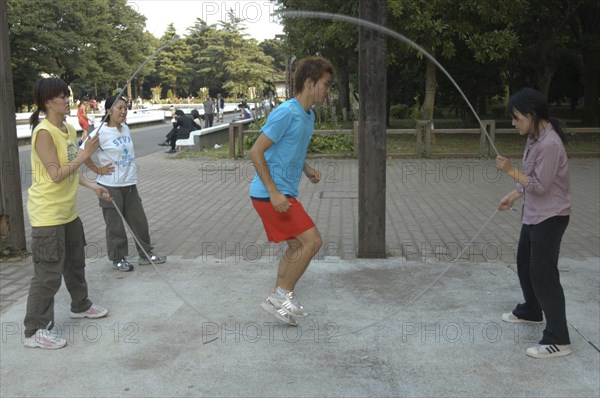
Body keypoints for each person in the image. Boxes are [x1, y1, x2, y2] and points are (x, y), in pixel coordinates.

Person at [23, 77, 111, 349]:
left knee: (75, 263)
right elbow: (57, 174)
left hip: (68, 213)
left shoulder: (68, 128)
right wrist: (85, 155)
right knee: (48, 273)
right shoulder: (44, 132)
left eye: (67, 95)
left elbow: (71, 169)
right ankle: (35, 330)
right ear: (48, 101)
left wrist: (92, 185)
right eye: (61, 96)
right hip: (48, 215)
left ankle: (80, 304)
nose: (67, 99)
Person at [249, 56, 334, 326]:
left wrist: (306, 169)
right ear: (309, 83)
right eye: (325, 84)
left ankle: (280, 298)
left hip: (281, 192)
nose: (327, 89)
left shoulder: (308, 115)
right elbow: (256, 151)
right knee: (312, 241)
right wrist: (274, 192)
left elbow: (291, 148)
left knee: (297, 245)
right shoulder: (286, 112)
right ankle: (281, 296)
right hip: (269, 195)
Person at [496, 87, 572, 359]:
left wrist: (509, 170)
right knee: (524, 262)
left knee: (543, 274)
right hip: (534, 213)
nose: (514, 123)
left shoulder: (550, 143)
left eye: (516, 117)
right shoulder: (535, 136)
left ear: (530, 115)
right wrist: (513, 193)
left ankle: (559, 339)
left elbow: (540, 186)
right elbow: (530, 177)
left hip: (551, 216)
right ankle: (531, 310)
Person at [83, 95, 167, 271]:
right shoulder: (100, 132)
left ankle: (145, 254)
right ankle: (118, 258)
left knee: (139, 221)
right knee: (115, 226)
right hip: (110, 186)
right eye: (119, 108)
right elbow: (83, 152)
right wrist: (98, 170)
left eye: (125, 108)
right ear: (109, 111)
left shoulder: (126, 129)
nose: (123, 111)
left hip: (129, 185)